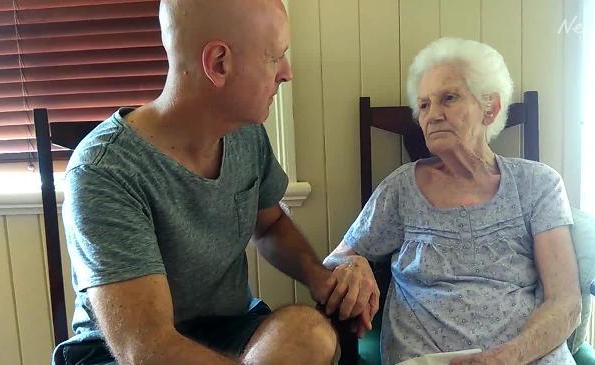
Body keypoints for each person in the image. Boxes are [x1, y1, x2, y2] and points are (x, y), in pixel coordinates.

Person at [53, 1, 377, 364]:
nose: (286, 73)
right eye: (274, 58)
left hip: (229, 331)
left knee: (309, 330)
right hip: (122, 354)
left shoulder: (247, 134)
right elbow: (145, 350)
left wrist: (321, 279)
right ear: (219, 63)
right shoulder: (104, 171)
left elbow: (269, 225)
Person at [324, 37, 582, 365]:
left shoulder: (538, 184)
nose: (432, 115)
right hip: (427, 358)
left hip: (524, 358)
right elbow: (335, 261)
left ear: (491, 107)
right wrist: (352, 262)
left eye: (449, 98)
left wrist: (506, 358)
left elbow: (565, 300)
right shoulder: (402, 188)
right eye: (424, 105)